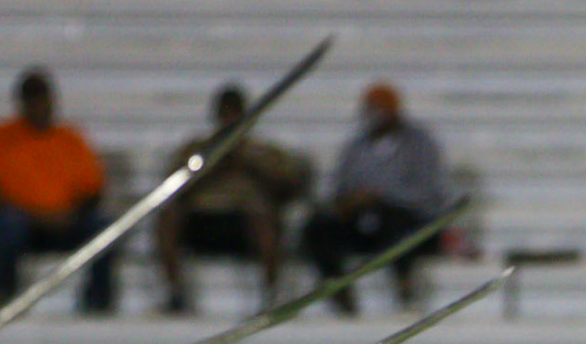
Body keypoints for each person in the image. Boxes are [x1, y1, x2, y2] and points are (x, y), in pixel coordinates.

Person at [155, 83, 313, 315]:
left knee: (264, 217)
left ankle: (271, 293)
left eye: (235, 113)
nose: (229, 119)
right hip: (202, 220)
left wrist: (251, 164)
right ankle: (175, 293)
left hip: (244, 220)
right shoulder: (198, 150)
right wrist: (209, 164)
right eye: (225, 113)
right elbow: (172, 185)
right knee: (168, 216)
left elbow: (290, 186)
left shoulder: (262, 151)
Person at [0, 69, 116, 314]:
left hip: (65, 222)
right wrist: (33, 216)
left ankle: (97, 299)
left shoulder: (71, 138)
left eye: (42, 98)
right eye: (32, 99)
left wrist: (71, 216)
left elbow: (94, 190)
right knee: (8, 225)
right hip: (20, 222)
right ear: (21, 103)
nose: (38, 105)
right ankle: (3, 294)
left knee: (104, 226)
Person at [302, 82, 446, 314]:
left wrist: (382, 196)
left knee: (398, 227)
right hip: (362, 219)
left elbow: (428, 193)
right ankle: (339, 292)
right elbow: (340, 187)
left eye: (381, 108)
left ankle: (405, 288)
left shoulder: (419, 143)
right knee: (318, 228)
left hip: (403, 218)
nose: (375, 115)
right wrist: (350, 201)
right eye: (371, 109)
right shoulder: (356, 146)